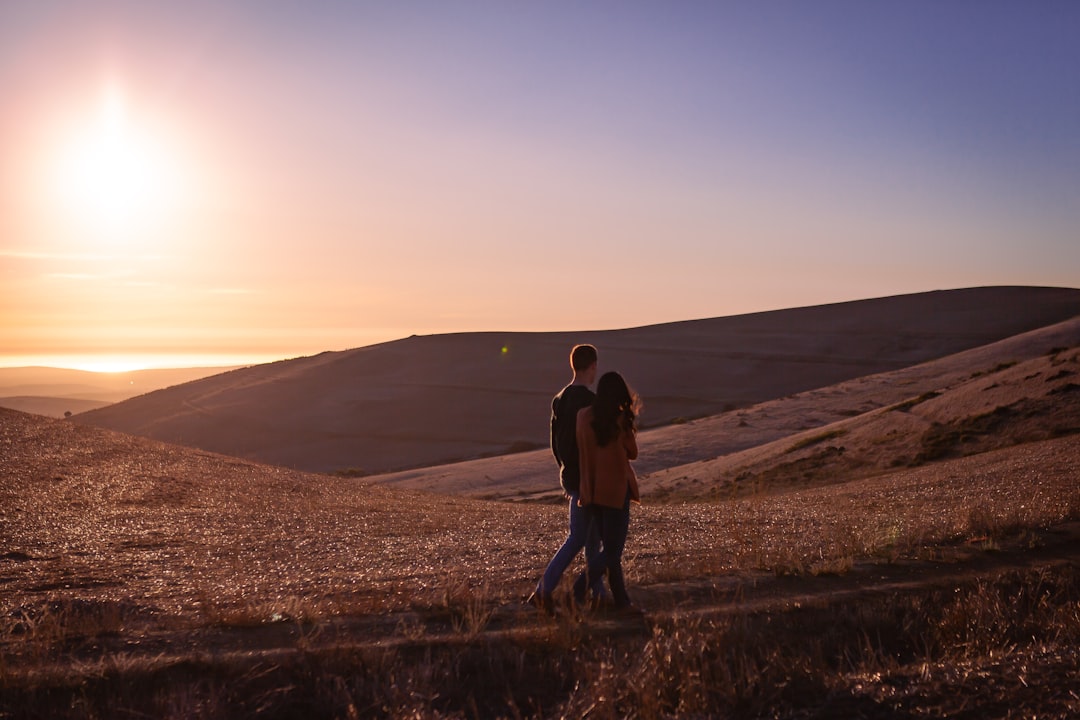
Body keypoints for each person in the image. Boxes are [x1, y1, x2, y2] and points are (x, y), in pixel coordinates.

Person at [528, 344, 606, 613]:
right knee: (579, 537)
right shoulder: (590, 401)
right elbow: (593, 446)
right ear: (592, 366)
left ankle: (599, 595)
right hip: (587, 479)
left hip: (572, 476)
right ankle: (543, 590)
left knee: (591, 538)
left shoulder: (559, 398)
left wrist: (566, 473)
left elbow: (555, 443)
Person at [573, 371, 642, 612]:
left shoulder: (582, 417)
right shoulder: (621, 420)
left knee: (611, 553)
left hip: (591, 491)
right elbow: (632, 453)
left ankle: (622, 603)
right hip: (615, 492)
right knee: (613, 552)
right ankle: (578, 589)